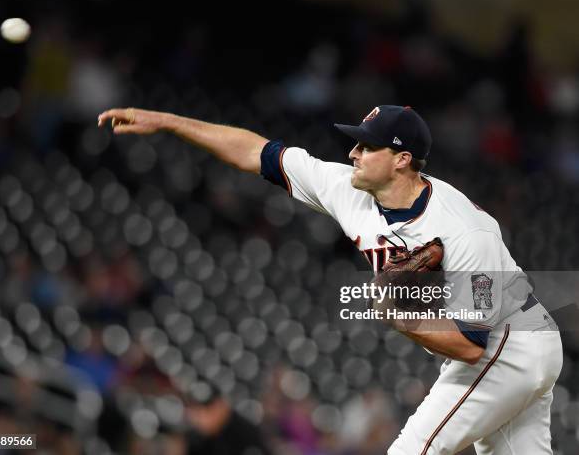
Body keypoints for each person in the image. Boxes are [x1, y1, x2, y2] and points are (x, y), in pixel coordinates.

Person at [98, 105, 563, 454]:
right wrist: (169, 122)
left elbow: (471, 345)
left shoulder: (464, 230)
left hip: (511, 341)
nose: (353, 152)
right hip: (509, 344)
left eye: (366, 146)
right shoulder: (347, 190)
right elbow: (255, 152)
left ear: (402, 160)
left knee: (413, 449)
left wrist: (400, 319)